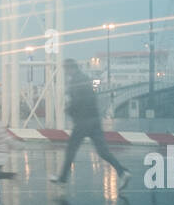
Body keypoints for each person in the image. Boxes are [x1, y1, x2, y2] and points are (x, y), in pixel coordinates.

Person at [50, 59, 132, 190]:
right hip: (94, 120)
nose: (65, 73)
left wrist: (69, 109)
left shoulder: (75, 81)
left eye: (65, 70)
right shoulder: (86, 79)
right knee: (103, 152)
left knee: (71, 149)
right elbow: (91, 98)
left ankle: (62, 179)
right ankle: (123, 172)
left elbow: (78, 101)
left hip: (83, 121)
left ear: (69, 69)